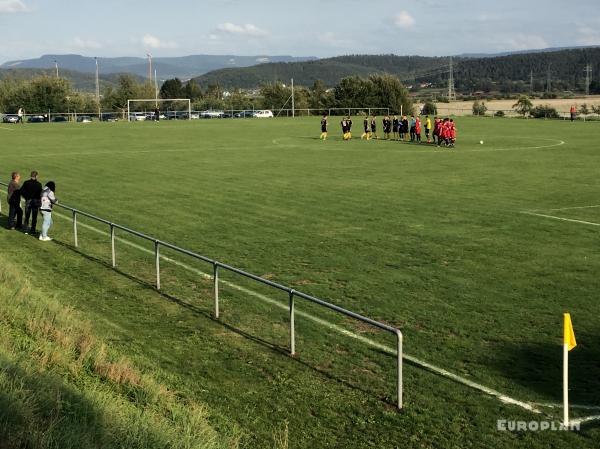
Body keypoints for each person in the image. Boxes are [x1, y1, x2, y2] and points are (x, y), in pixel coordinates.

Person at [21, 170, 42, 235]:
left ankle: (26, 229)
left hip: (28, 200)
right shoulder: (39, 184)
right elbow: (40, 194)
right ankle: (33, 230)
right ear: (36, 176)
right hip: (35, 201)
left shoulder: (26, 182)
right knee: (34, 216)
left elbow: (21, 191)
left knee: (27, 215)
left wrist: (26, 197)